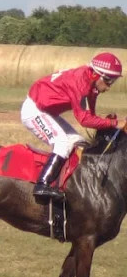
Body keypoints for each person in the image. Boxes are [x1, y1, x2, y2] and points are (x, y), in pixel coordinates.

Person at [22, 51, 120, 202]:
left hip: (47, 111)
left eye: (112, 82)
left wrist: (108, 124)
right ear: (95, 74)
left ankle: (67, 185)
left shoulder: (91, 85)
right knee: (61, 143)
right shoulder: (80, 83)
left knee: (78, 142)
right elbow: (84, 120)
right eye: (107, 81)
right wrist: (113, 123)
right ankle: (42, 184)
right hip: (34, 110)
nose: (108, 86)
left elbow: (91, 116)